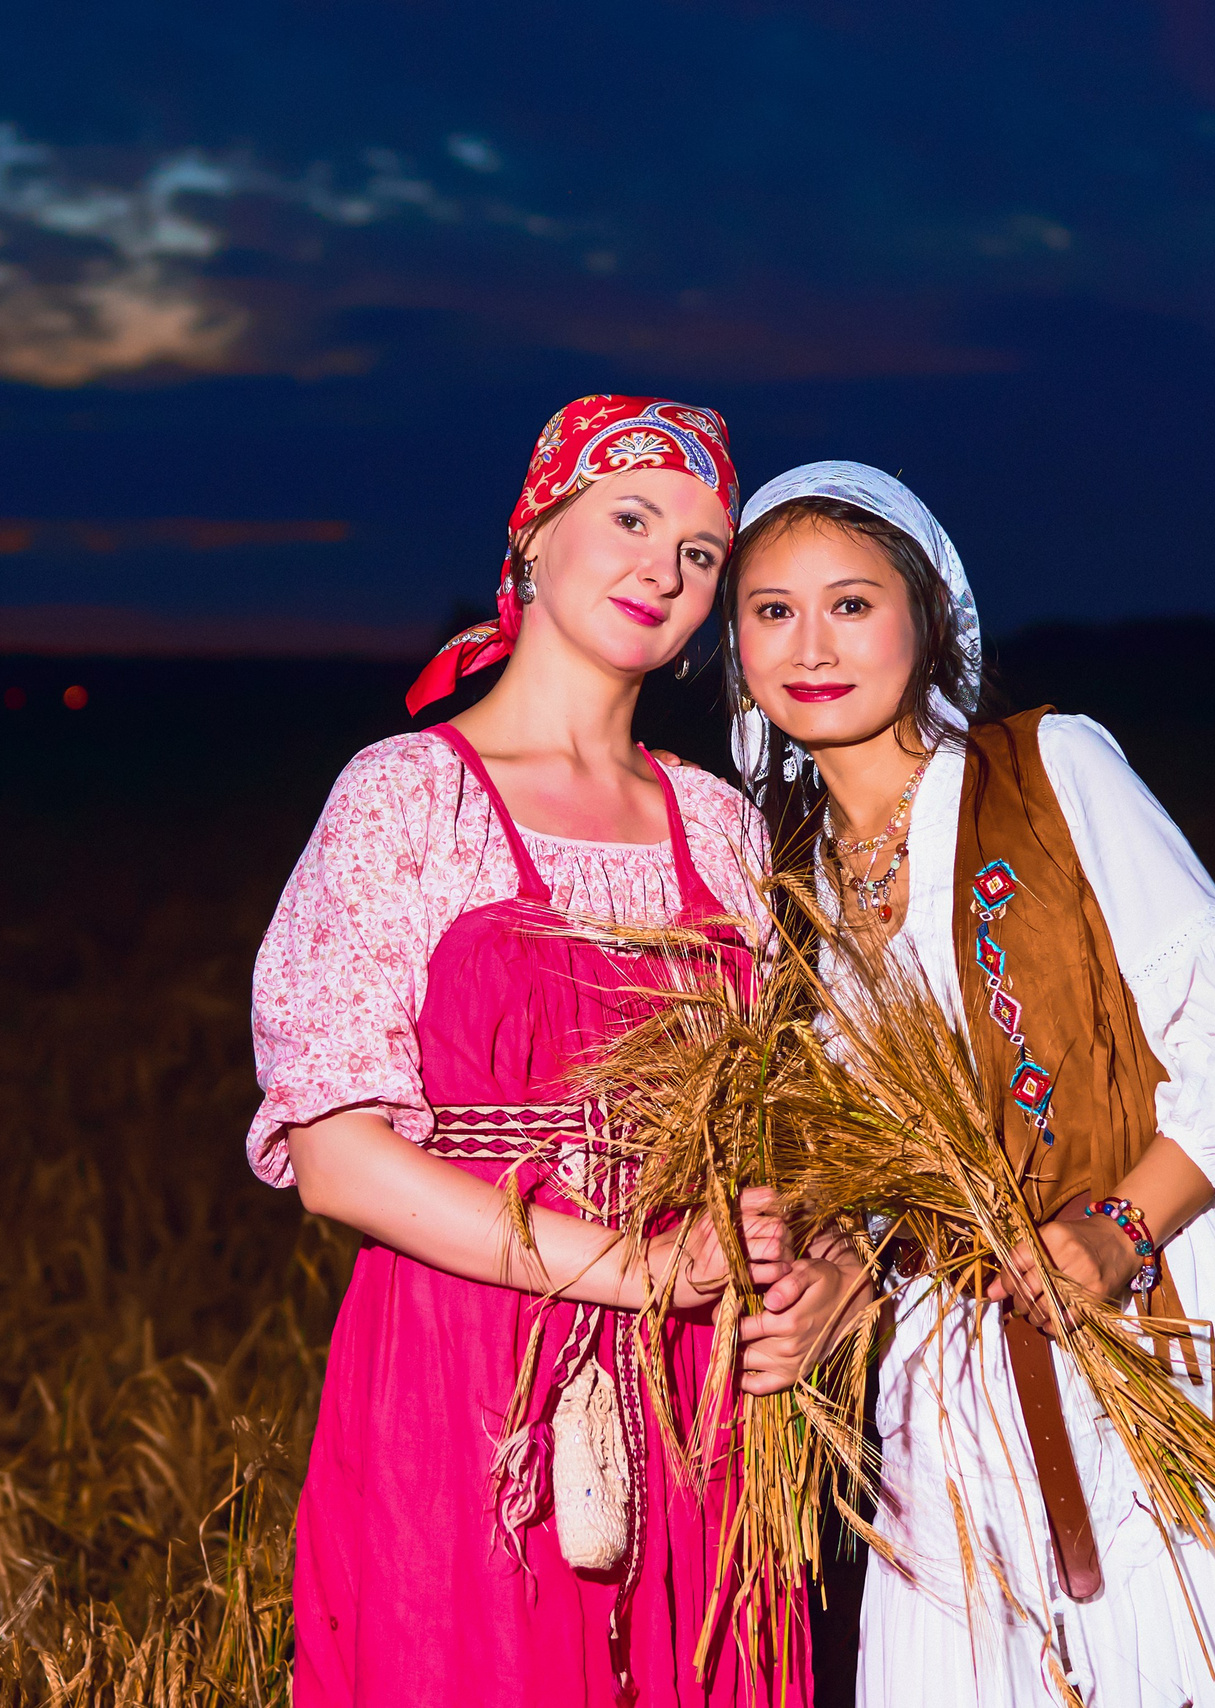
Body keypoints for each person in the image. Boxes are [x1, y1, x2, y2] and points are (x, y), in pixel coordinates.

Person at [720, 462, 1215, 1707]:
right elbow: (868, 1169)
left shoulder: (1048, 771)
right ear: (734, 646)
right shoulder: (773, 883)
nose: (812, 645)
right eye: (772, 610)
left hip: (1163, 1332)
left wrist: (1117, 1226)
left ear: (927, 618)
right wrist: (837, 1275)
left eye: (851, 603)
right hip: (949, 1400)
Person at [246, 398, 848, 1707]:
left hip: (699, 1385)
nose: (662, 569)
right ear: (532, 536)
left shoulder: (719, 823)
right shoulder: (409, 795)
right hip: (469, 1368)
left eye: (700, 552)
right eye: (630, 518)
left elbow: (782, 1124)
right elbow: (336, 1159)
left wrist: (810, 1269)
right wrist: (639, 1270)